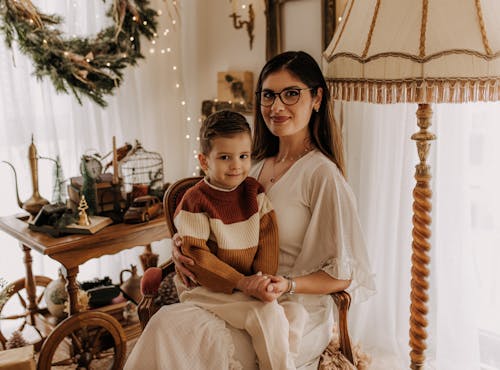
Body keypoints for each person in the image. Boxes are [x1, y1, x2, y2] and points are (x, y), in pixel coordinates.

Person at [125, 51, 375, 370]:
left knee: (179, 331)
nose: (277, 106)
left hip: (292, 309)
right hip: (237, 294)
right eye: (269, 95)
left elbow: (342, 274)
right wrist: (183, 248)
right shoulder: (250, 167)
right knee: (167, 324)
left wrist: (286, 283)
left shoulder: (322, 175)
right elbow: (211, 224)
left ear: (317, 98)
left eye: (291, 93)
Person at [173, 109, 306, 370]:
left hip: (247, 288)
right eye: (225, 157)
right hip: (207, 289)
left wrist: (263, 282)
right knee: (264, 314)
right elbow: (197, 258)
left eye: (243, 156)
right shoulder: (195, 200)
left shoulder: (254, 195)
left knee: (297, 313)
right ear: (204, 161)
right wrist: (243, 283)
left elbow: (268, 244)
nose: (236, 165)